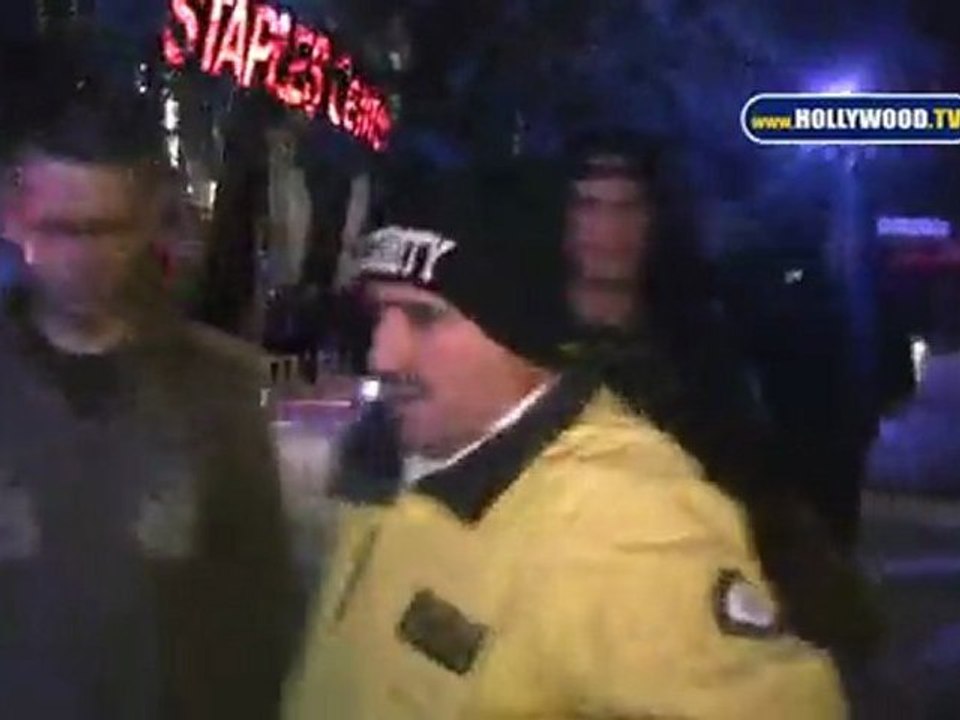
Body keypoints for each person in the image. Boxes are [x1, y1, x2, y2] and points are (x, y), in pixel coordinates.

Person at [283, 163, 864, 719]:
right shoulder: (394, 459)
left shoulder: (629, 525)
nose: (383, 354)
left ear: (520, 331)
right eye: (378, 314)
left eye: (425, 317)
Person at [0, 82, 299, 719]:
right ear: (11, 217)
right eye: (60, 230)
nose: (83, 257)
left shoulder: (220, 391)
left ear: (146, 222)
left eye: (106, 229)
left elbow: (257, 613)